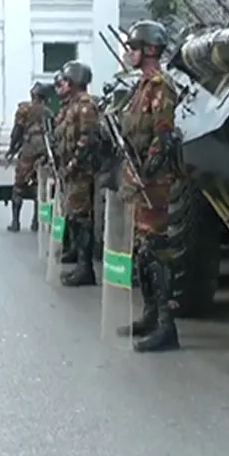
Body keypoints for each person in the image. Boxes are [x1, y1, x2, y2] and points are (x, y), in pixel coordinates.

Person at [116, 20, 183, 352]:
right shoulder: (139, 88)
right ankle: (149, 314)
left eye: (134, 47)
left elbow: (164, 136)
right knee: (142, 251)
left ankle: (167, 326)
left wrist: (148, 170)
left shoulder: (160, 87)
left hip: (152, 182)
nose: (130, 53)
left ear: (151, 50)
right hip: (139, 178)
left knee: (156, 251)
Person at [52, 61, 101, 286]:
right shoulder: (71, 106)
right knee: (73, 216)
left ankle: (85, 268)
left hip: (81, 171)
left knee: (81, 218)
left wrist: (73, 164)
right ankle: (79, 259)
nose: (63, 84)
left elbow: (87, 138)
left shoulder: (85, 106)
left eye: (66, 80)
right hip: (70, 170)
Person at [4, 82, 53, 233]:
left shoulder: (24, 109)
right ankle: (36, 222)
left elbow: (17, 130)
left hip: (29, 149)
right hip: (44, 150)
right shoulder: (48, 112)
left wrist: (12, 148)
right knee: (40, 185)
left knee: (19, 185)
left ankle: (15, 222)